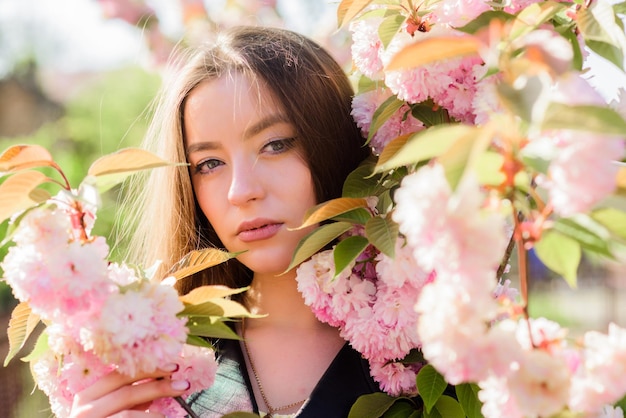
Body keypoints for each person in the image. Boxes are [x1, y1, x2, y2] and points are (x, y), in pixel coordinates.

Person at [70, 26, 377, 418]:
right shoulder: (162, 369)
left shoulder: (428, 341)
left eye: (276, 145)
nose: (240, 190)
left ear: (333, 140)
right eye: (209, 164)